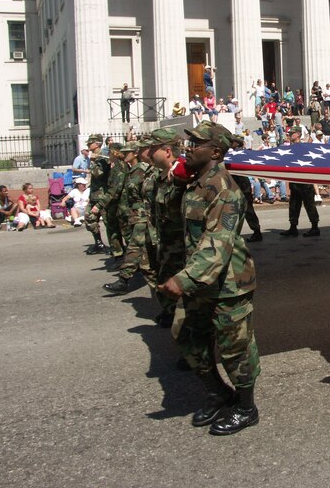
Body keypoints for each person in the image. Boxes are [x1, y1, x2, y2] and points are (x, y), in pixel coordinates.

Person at [158, 122, 261, 436]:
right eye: (189, 142)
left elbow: (218, 243)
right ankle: (218, 392)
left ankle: (245, 407)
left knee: (236, 349)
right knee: (186, 335)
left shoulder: (224, 188)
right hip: (200, 280)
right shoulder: (196, 182)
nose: (188, 147)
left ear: (215, 151)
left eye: (196, 143)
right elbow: (163, 211)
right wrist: (176, 181)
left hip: (228, 283)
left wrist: (183, 279)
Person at [147, 128, 187, 328]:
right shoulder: (163, 176)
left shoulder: (183, 175)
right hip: (167, 242)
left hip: (182, 246)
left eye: (153, 148)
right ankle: (170, 311)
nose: (148, 153)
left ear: (167, 151)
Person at [104, 140, 156, 294]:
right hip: (133, 214)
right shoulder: (130, 169)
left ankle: (124, 280)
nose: (124, 155)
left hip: (142, 215)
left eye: (127, 152)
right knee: (143, 252)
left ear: (135, 154)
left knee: (134, 247)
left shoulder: (141, 170)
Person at [280, 126, 320, 238]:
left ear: (298, 134)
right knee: (293, 205)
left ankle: (315, 227)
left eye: (292, 133)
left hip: (304, 180)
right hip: (295, 180)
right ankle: (293, 227)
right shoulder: (290, 148)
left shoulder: (303, 147)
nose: (290, 135)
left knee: (309, 204)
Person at [84, 134, 110, 254]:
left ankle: (117, 249)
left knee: (109, 223)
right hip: (94, 194)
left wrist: (93, 161)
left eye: (90, 143)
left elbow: (98, 173)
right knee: (89, 219)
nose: (88, 145)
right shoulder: (95, 156)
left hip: (103, 195)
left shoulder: (103, 157)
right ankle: (98, 243)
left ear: (98, 144)